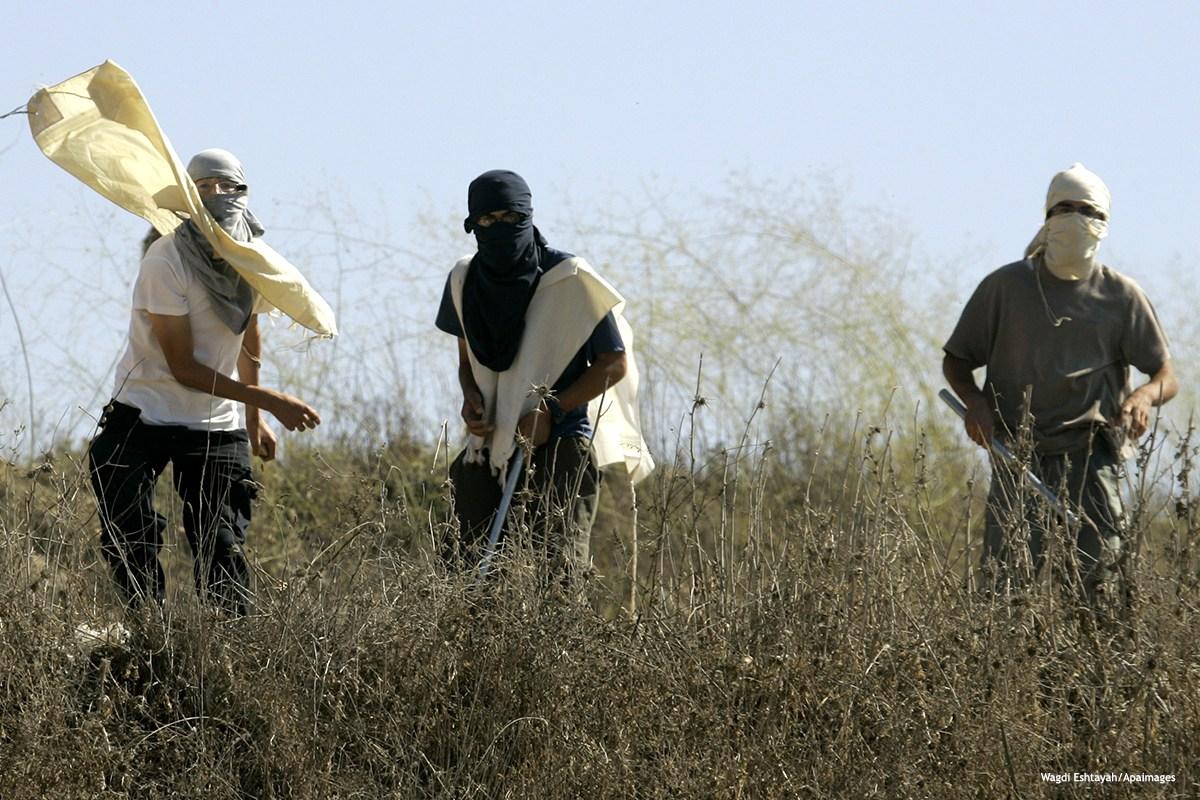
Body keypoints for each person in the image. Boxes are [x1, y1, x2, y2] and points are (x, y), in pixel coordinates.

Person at [89, 149, 321, 616]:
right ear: (186, 198)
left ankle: (234, 655)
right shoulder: (167, 258)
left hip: (214, 424)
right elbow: (184, 367)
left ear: (243, 193)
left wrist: (254, 421)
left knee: (223, 545)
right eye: (204, 188)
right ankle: (148, 633)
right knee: (130, 531)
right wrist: (270, 400)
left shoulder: (252, 261)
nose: (217, 195)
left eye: (226, 186)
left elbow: (248, 338)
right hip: (143, 413)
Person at [942, 163, 1177, 601]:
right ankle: (1007, 670)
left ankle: (1092, 669)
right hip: (1017, 455)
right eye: (1063, 208)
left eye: (1086, 210)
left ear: (1103, 224)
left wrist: (1144, 395)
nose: (1074, 218)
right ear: (1047, 217)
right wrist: (975, 402)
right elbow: (957, 359)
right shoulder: (1005, 288)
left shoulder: (1121, 296)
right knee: (1007, 591)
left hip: (1092, 457)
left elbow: (1166, 375)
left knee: (1101, 592)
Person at [435, 170, 633, 583]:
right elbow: (466, 360)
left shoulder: (568, 279)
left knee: (555, 578)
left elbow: (613, 363)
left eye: (509, 218)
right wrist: (470, 398)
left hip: (560, 446)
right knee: (468, 575)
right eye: (486, 221)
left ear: (528, 215)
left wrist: (551, 410)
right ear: (472, 225)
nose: (498, 228)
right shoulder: (464, 280)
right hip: (486, 448)